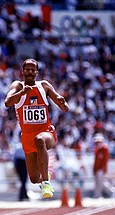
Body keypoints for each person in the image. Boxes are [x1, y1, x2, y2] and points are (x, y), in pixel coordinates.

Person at [5, 58, 69, 198]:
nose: (29, 72)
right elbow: (7, 102)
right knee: (34, 179)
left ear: (37, 72)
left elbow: (64, 107)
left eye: (32, 69)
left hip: (46, 133)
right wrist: (22, 93)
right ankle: (45, 176)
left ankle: (46, 183)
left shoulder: (44, 86)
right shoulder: (17, 86)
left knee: (39, 140)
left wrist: (63, 104)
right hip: (27, 138)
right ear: (22, 71)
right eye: (27, 69)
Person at [93, 133, 115, 198]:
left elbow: (105, 160)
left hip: (101, 169)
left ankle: (112, 191)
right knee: (97, 182)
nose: (97, 144)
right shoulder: (97, 150)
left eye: (98, 142)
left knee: (102, 182)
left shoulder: (104, 149)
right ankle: (97, 195)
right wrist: (95, 169)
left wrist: (103, 169)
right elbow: (96, 161)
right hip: (98, 169)